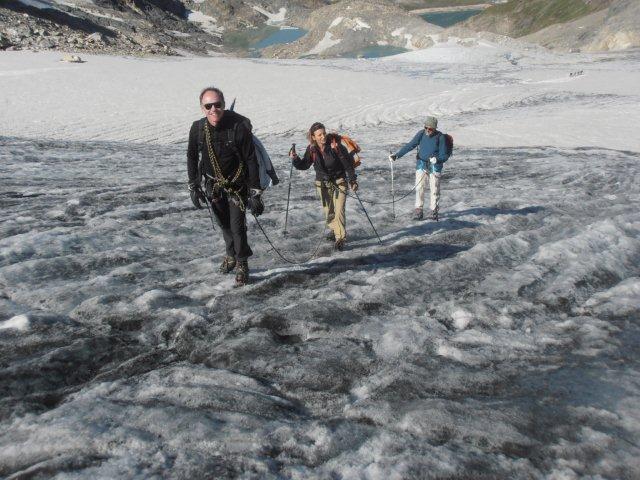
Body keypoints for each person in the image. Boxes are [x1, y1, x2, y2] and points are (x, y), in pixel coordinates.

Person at [186, 86, 264, 287]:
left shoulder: (238, 127)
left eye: (217, 104)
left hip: (237, 186)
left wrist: (255, 191)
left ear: (223, 104)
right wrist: (193, 186)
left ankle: (242, 263)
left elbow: (250, 158)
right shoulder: (197, 129)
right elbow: (192, 156)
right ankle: (231, 255)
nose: (213, 109)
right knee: (224, 224)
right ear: (202, 108)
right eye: (208, 105)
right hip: (213, 186)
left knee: (237, 227)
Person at [289, 122, 358, 251]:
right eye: (319, 135)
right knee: (329, 213)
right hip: (322, 184)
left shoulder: (335, 146)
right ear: (313, 137)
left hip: (340, 182)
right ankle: (335, 229)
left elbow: (348, 165)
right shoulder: (311, 149)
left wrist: (353, 180)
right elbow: (304, 165)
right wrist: (295, 159)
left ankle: (340, 238)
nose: (323, 137)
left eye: (324, 133)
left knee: (339, 210)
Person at [389, 116, 448, 221]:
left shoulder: (441, 137)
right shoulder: (421, 134)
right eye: (426, 127)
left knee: (434, 189)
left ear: (435, 128)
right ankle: (418, 210)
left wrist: (437, 160)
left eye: (430, 129)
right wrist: (397, 156)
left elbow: (444, 155)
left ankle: (434, 210)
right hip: (421, 164)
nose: (427, 130)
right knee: (419, 187)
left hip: (434, 167)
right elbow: (410, 145)